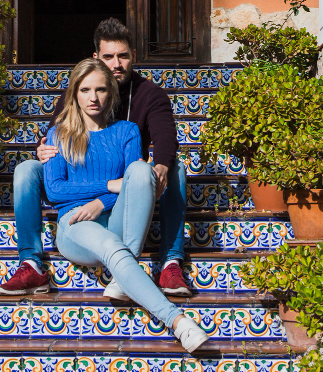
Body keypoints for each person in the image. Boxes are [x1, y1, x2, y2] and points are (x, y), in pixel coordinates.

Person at [0, 18, 191, 298]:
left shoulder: (150, 94)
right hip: (91, 179)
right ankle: (32, 263)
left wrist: (159, 166)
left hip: (129, 182)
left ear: (132, 56)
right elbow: (55, 133)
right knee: (27, 169)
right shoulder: (80, 90)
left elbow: (165, 139)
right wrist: (42, 148)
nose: (117, 64)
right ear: (96, 58)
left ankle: (170, 262)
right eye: (109, 57)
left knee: (175, 169)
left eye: (123, 56)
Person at [30, 57, 208, 352]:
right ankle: (178, 323)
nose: (93, 97)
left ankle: (124, 276)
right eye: (85, 90)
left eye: (100, 90)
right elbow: (55, 190)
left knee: (140, 169)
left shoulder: (127, 131)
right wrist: (108, 186)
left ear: (111, 93)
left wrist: (101, 201)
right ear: (74, 93)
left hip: (116, 221)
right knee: (115, 248)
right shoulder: (58, 134)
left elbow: (134, 184)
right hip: (75, 225)